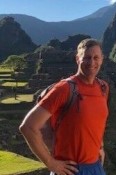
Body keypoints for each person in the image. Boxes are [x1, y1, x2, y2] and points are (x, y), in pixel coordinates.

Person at [19, 38, 109, 175]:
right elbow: (28, 127)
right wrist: (51, 163)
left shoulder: (103, 88)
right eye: (87, 57)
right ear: (78, 59)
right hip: (70, 169)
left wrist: (100, 147)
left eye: (96, 57)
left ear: (102, 59)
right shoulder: (64, 89)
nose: (92, 62)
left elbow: (95, 121)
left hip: (95, 167)